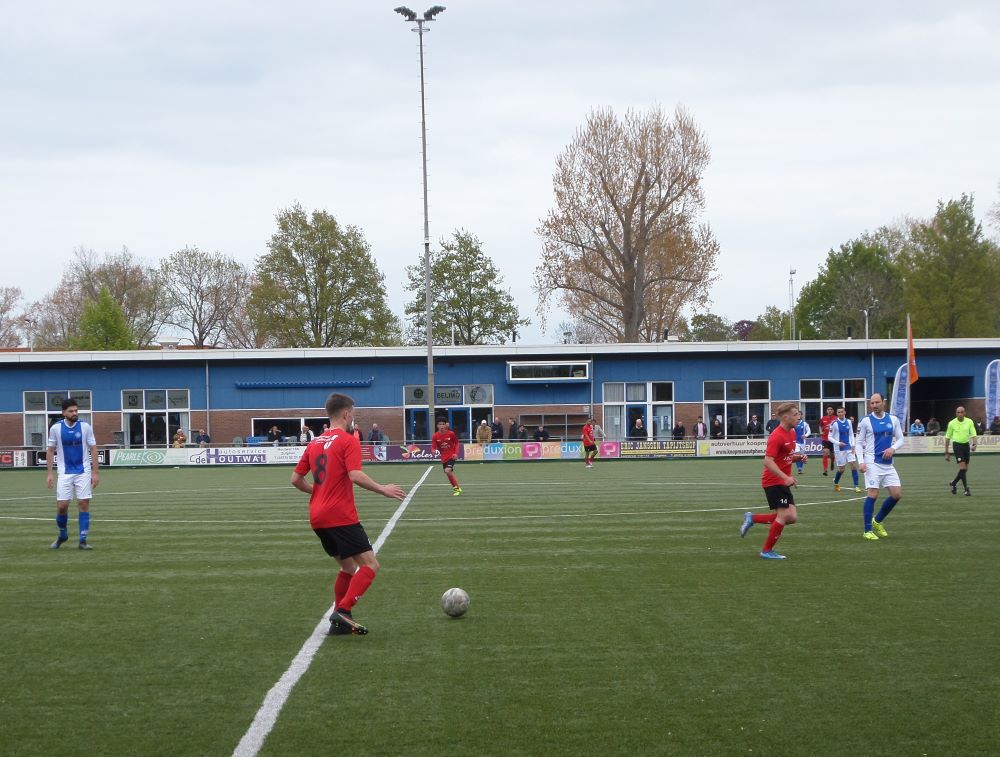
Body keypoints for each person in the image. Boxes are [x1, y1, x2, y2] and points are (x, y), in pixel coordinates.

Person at [291, 393, 406, 636]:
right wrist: (383, 489)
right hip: (339, 515)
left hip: (318, 517)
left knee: (347, 568)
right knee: (370, 565)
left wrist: (318, 492)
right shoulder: (348, 440)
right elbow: (355, 475)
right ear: (345, 414)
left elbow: (296, 479)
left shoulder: (314, 443)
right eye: (353, 413)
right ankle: (343, 610)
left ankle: (338, 622)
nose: (354, 417)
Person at [739, 401, 805, 560]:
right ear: (785, 417)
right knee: (783, 516)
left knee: (792, 517)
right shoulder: (776, 436)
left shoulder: (792, 432)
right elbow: (768, 461)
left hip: (783, 481)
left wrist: (798, 458)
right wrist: (786, 477)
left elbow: (785, 457)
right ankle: (766, 550)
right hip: (774, 481)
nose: (799, 417)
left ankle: (752, 518)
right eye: (796, 414)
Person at [46, 397, 99, 550]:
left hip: (83, 471)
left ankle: (83, 540)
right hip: (64, 472)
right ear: (63, 413)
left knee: (83, 503)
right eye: (71, 411)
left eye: (76, 410)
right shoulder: (55, 428)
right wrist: (49, 474)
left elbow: (93, 449)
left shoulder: (85, 427)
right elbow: (50, 451)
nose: (75, 413)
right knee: (62, 507)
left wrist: (95, 473)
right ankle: (62, 534)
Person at [855, 392, 905, 541]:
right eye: (872, 403)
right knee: (873, 494)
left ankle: (877, 521)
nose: (875, 405)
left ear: (883, 402)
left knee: (896, 495)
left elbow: (901, 439)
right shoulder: (865, 421)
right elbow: (858, 443)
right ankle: (867, 530)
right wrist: (861, 462)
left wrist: (893, 448)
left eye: (877, 402)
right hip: (872, 463)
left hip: (888, 465)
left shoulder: (893, 419)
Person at [944, 406, 978, 496]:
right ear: (956, 413)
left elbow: (973, 434)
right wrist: (947, 453)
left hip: (966, 445)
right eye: (958, 412)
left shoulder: (969, 422)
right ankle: (966, 489)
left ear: (965, 413)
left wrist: (974, 444)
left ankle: (953, 483)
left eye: (962, 412)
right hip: (957, 445)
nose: (960, 414)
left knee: (965, 469)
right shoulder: (952, 423)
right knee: (963, 468)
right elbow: (947, 438)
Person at [828, 407, 861, 493]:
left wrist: (853, 444)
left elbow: (850, 434)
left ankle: (856, 486)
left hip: (849, 447)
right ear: (837, 413)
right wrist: (838, 443)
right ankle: (836, 482)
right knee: (841, 469)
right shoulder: (834, 424)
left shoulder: (849, 422)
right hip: (839, 449)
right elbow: (829, 437)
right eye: (839, 412)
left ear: (845, 412)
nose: (840, 413)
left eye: (842, 412)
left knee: (853, 465)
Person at [431, 418, 463, 496]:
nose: (441, 426)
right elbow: (433, 447)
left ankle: (456, 489)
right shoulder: (435, 436)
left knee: (448, 470)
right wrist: (433, 450)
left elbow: (457, 443)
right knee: (448, 472)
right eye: (439, 424)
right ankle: (457, 487)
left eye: (443, 424)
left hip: (451, 456)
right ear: (437, 426)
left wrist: (456, 453)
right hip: (444, 458)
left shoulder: (451, 434)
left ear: (446, 425)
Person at [819, 406, 837, 476]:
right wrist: (821, 432)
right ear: (826, 411)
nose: (829, 410)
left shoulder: (836, 418)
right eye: (828, 409)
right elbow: (820, 426)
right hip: (825, 439)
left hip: (833, 439)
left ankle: (832, 462)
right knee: (825, 453)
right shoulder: (823, 418)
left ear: (833, 411)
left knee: (832, 455)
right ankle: (825, 470)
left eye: (831, 409)